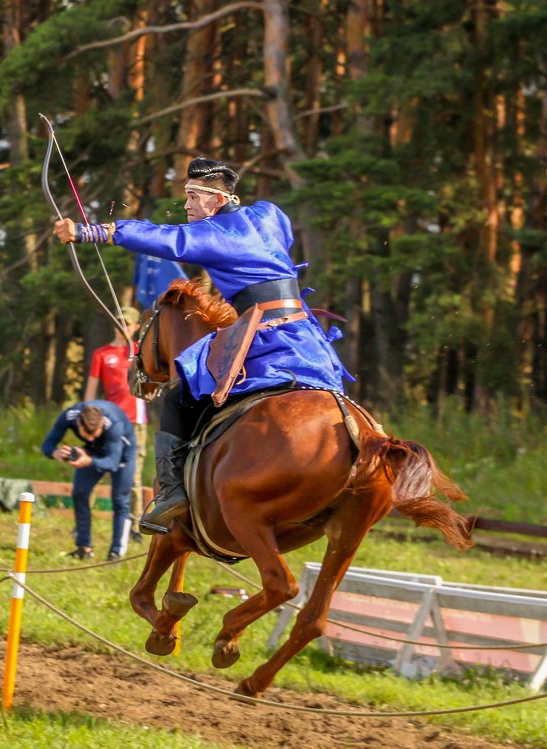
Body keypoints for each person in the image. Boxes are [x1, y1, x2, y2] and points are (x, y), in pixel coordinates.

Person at [53, 157, 352, 533]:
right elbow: (282, 240)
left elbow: (162, 237)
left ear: (220, 199)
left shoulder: (213, 235)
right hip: (305, 331)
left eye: (195, 196)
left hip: (262, 331)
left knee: (180, 393)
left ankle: (173, 493)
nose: (188, 205)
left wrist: (87, 232)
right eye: (187, 196)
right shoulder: (269, 214)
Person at [41, 401, 136, 561]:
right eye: (87, 436)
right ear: (78, 424)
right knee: (79, 492)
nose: (91, 438)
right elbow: (47, 445)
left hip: (122, 454)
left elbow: (112, 463)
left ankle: (116, 553)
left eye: (95, 435)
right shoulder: (69, 416)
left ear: (101, 425)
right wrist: (54, 452)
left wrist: (89, 461)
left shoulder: (113, 425)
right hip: (93, 452)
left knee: (120, 501)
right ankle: (84, 548)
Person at [83, 306, 147, 545]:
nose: (123, 327)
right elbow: (92, 386)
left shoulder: (140, 352)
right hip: (109, 420)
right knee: (92, 468)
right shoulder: (102, 353)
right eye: (119, 322)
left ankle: (135, 524)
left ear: (136, 327)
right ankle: (83, 519)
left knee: (133, 477)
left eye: (128, 323)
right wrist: (86, 412)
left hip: (135, 421)